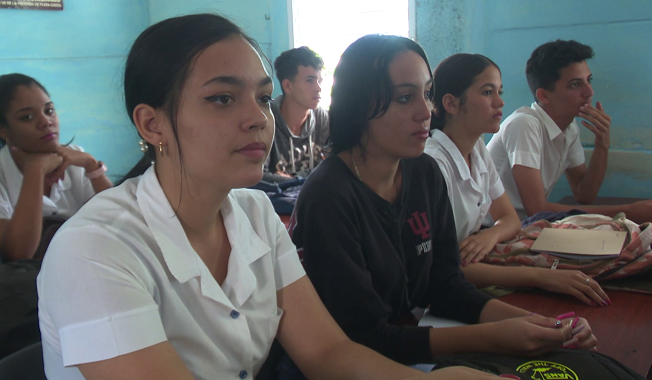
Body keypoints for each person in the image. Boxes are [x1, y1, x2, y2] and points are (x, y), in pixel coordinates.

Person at [36, 14, 492, 380]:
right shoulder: (96, 250)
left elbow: (328, 353)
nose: (258, 118)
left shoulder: (255, 213)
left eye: (262, 96)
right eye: (222, 99)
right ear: (153, 124)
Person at [290, 34, 596, 370]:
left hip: (409, 336)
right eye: (405, 98)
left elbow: (446, 284)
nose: (426, 112)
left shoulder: (423, 172)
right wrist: (495, 336)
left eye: (428, 94)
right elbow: (364, 337)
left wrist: (538, 323)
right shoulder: (329, 196)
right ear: (358, 104)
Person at [424, 53, 610, 307]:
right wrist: (541, 277)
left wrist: (490, 236)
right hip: (437, 290)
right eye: (488, 92)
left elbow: (509, 217)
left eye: (499, 91)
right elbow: (439, 266)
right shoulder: (433, 164)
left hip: (472, 260)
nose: (500, 102)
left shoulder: (476, 149)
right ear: (451, 104)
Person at [487, 40, 652, 225]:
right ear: (544, 95)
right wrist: (628, 212)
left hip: (522, 227)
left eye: (589, 80)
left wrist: (602, 144)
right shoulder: (524, 124)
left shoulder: (569, 128)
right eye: (575, 84)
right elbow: (537, 209)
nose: (589, 92)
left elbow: (584, 194)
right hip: (489, 230)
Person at [0, 74, 112, 262]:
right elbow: (19, 252)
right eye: (27, 117)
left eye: (49, 110)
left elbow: (119, 224)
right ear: (3, 131)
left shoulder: (77, 158)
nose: (46, 122)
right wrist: (35, 171)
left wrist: (92, 167)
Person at [262, 46, 329, 183]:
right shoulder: (265, 120)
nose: (318, 88)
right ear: (288, 86)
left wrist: (295, 179)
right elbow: (259, 177)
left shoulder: (322, 118)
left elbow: (330, 168)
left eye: (320, 81)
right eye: (310, 80)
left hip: (312, 197)